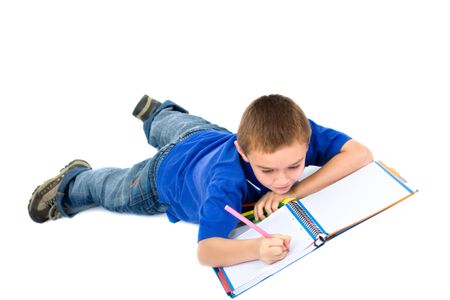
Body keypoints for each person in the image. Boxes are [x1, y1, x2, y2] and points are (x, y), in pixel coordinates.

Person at [28, 94, 373, 267]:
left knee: (180, 126)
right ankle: (71, 184)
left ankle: (157, 116)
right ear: (243, 150)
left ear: (305, 139)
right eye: (266, 171)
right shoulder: (225, 184)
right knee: (111, 189)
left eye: (295, 166)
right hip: (160, 179)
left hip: (203, 136)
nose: (280, 180)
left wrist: (297, 191)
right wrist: (254, 249)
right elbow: (206, 251)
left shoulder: (297, 135)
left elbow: (360, 154)